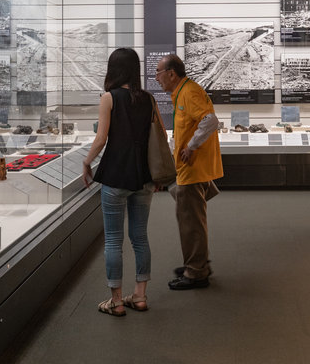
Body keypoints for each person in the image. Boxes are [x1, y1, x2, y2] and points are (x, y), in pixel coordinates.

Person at [83, 48, 157, 316]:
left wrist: (86, 161)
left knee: (113, 240)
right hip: (144, 177)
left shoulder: (109, 98)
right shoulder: (148, 99)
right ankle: (139, 296)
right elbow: (153, 137)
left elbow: (101, 139)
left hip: (116, 176)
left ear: (113, 69)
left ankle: (115, 301)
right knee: (140, 237)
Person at [154, 53, 223, 290]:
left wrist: (192, 146)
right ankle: (198, 263)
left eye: (158, 72)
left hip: (193, 171)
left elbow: (210, 121)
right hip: (189, 170)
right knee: (192, 220)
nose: (156, 77)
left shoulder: (189, 91)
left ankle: (196, 272)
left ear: (171, 73)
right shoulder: (182, 92)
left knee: (190, 222)